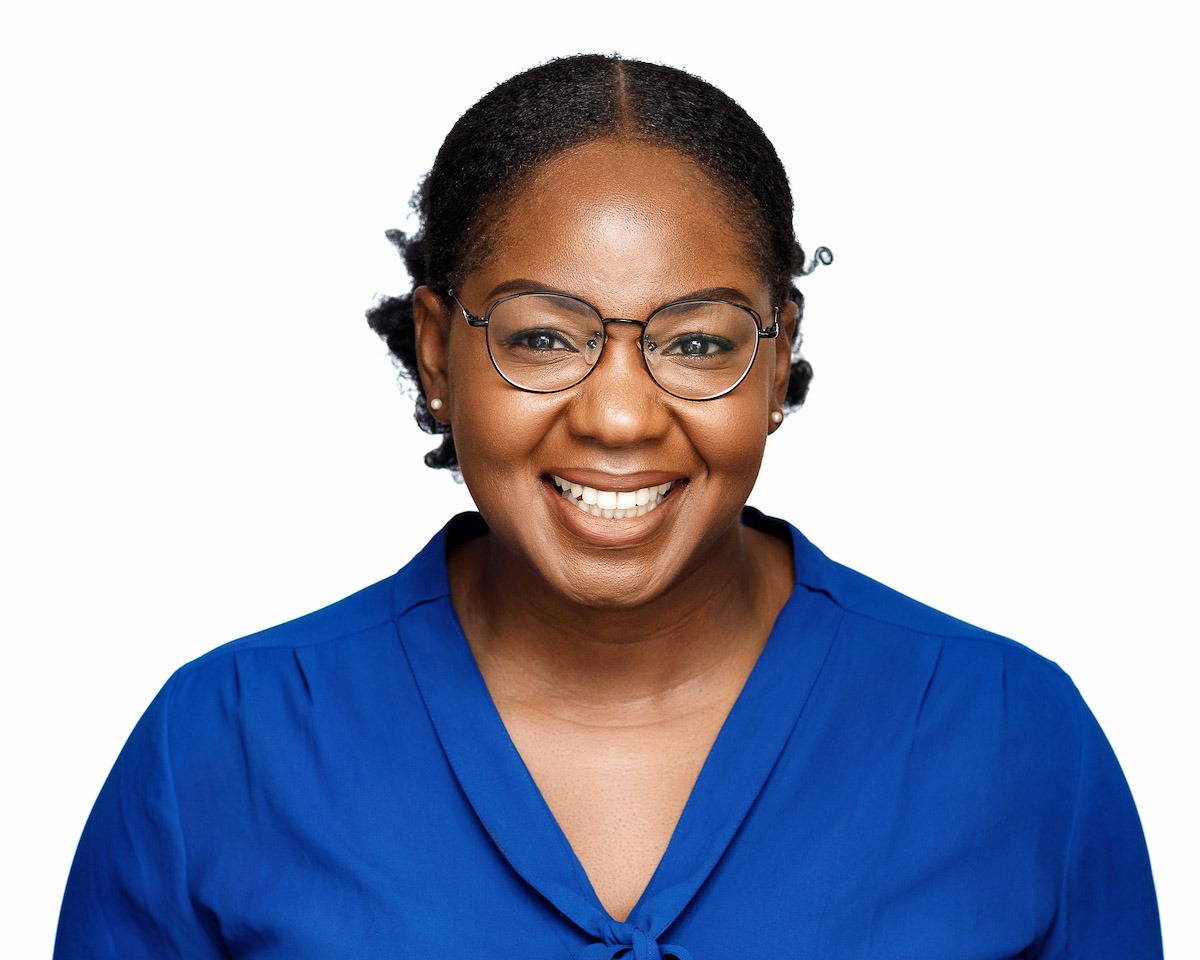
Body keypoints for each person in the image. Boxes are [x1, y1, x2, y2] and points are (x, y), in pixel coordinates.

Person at [54, 54, 1161, 959]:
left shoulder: (1015, 742)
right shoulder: (222, 748)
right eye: (543, 336)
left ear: (778, 362)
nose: (620, 417)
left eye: (697, 341)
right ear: (438, 352)